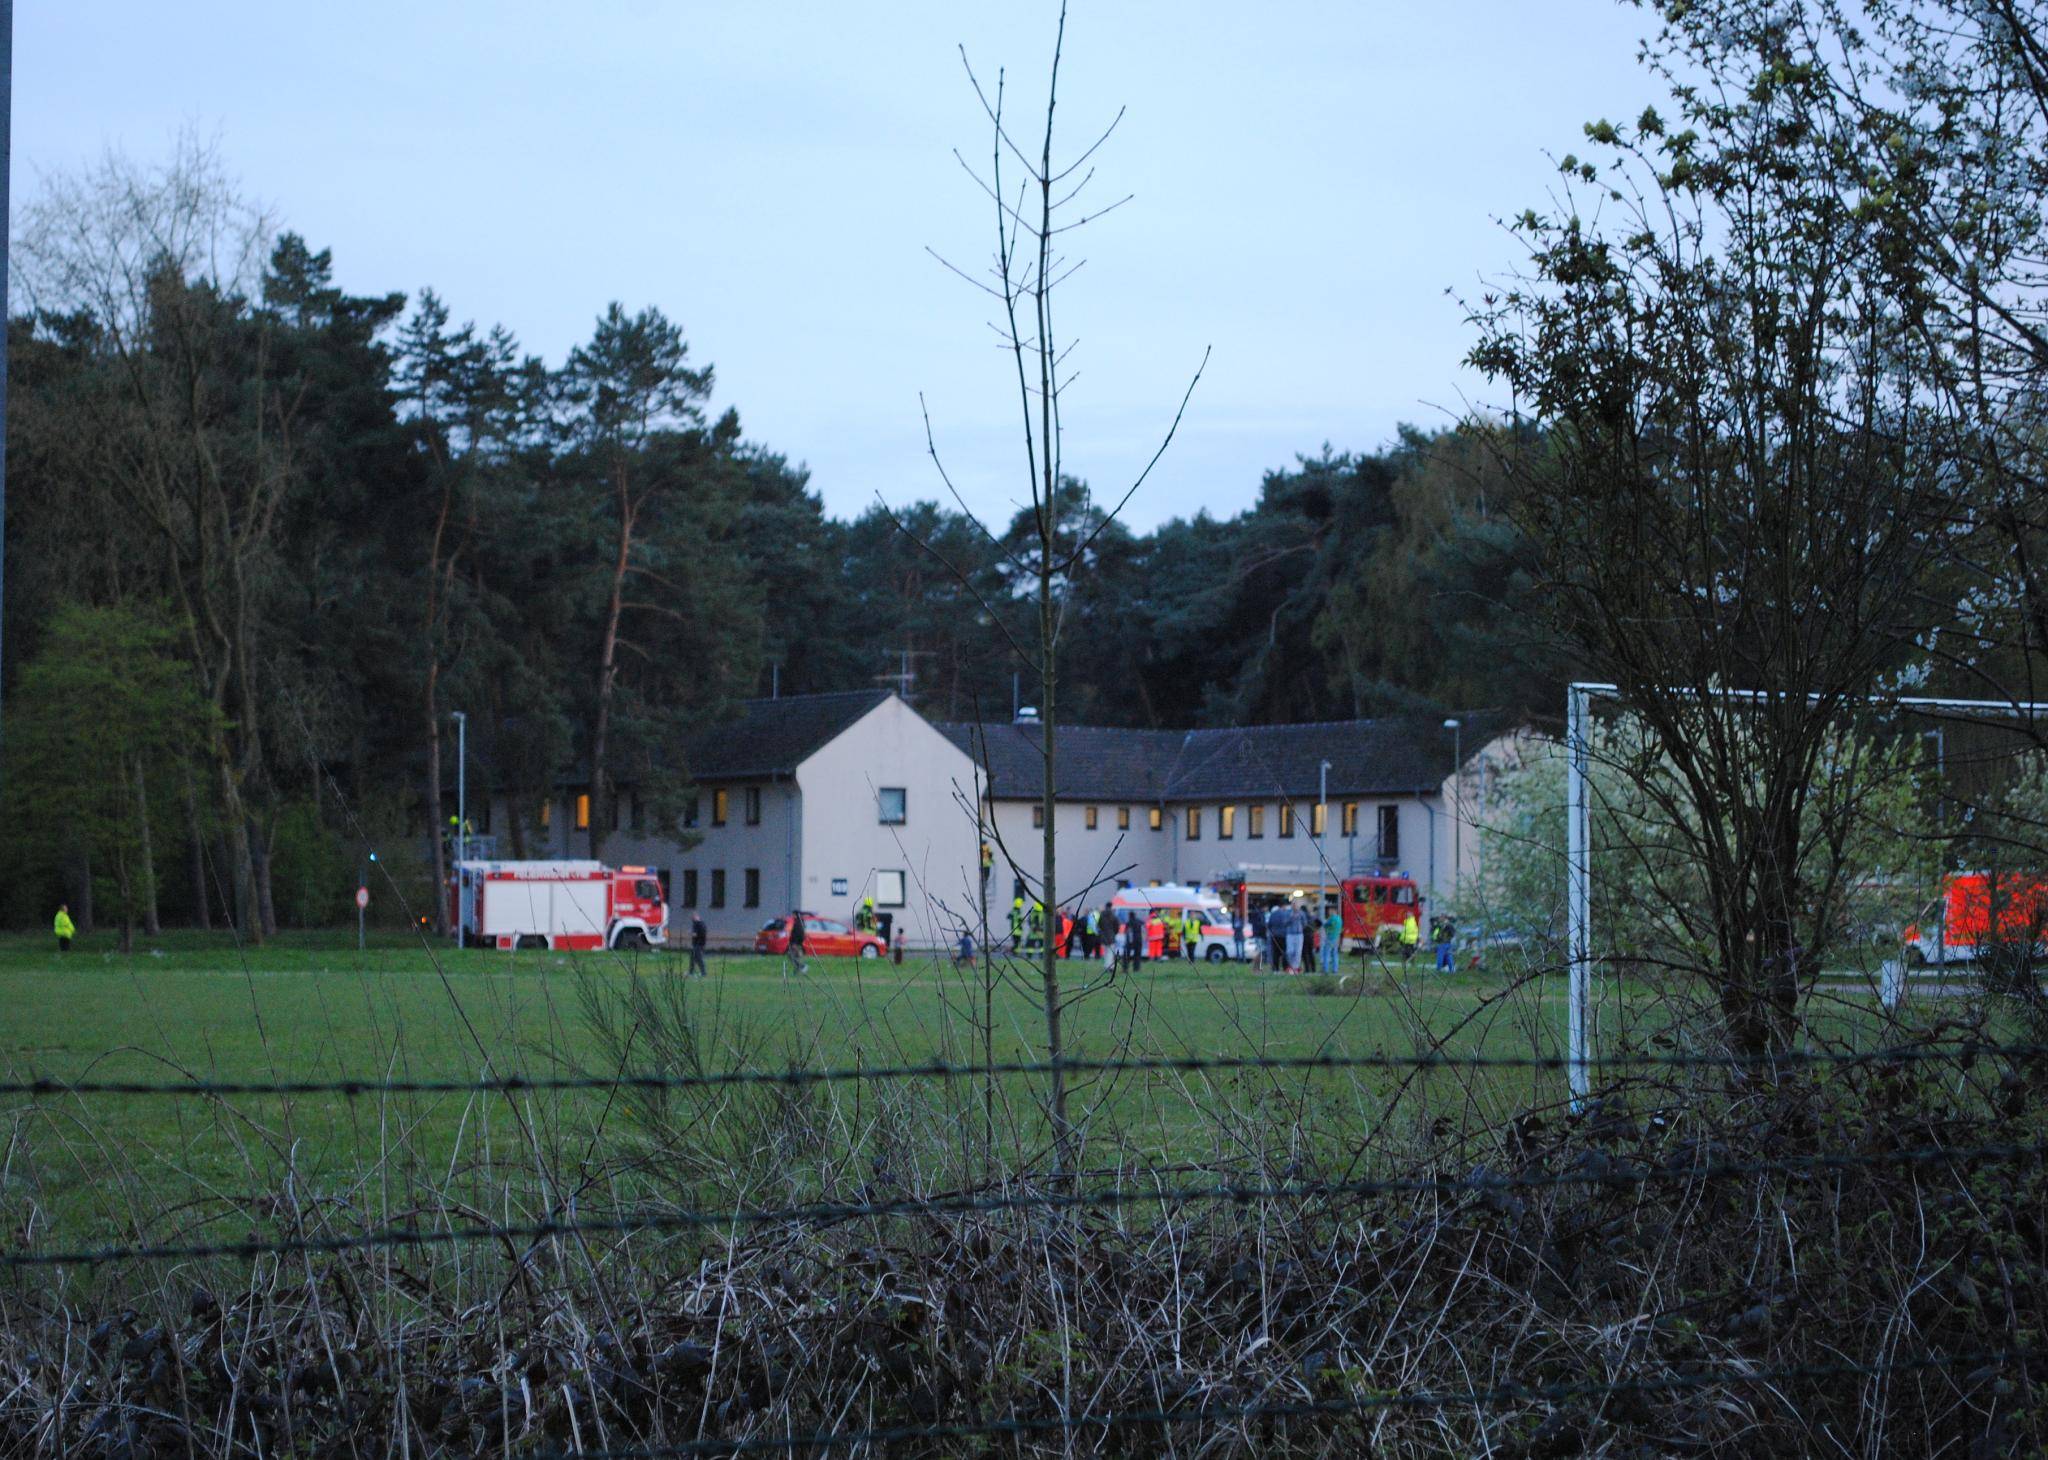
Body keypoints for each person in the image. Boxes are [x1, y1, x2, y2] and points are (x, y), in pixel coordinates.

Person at [785, 911, 808, 978]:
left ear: (796, 915)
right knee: (796, 956)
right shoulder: (799, 922)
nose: (792, 916)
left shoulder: (798, 923)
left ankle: (802, 966)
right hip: (796, 943)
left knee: (791, 955)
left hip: (796, 943)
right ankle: (799, 969)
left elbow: (799, 934)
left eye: (793, 914)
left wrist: (795, 943)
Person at [1283, 902, 1306, 973]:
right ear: (1292, 906)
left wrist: (1301, 926)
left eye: (1297, 905)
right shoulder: (1288, 913)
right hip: (1290, 934)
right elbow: (1284, 923)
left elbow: (1305, 923)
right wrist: (1291, 918)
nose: (1295, 907)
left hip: (1299, 934)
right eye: (1294, 905)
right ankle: (1291, 965)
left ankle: (1295, 968)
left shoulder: (1302, 913)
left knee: (1298, 952)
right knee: (1290, 951)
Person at [1322, 903, 1343, 974]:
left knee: (1326, 953)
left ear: (1333, 910)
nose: (1329, 912)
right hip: (1336, 938)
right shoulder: (1339, 919)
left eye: (1330, 910)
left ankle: (1325, 969)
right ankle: (1335, 969)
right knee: (1335, 954)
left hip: (1330, 938)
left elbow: (1325, 925)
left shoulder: (1332, 918)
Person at [687, 911, 709, 977]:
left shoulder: (698, 924)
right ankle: (691, 972)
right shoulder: (701, 924)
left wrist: (691, 933)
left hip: (698, 944)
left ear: (695, 917)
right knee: (693, 958)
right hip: (699, 944)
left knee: (699, 959)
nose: (692, 920)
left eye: (692, 918)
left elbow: (696, 934)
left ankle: (703, 973)